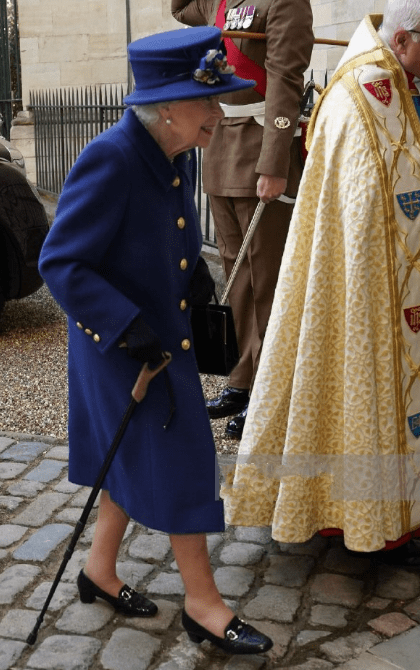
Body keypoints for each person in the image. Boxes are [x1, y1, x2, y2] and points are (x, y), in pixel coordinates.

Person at [221, 0, 420, 568]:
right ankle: (369, 521)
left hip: (417, 286)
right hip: (362, 297)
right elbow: (364, 215)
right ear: (405, 39)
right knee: (360, 390)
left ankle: (395, 515)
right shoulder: (359, 96)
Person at [39, 27, 273, 655]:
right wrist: (125, 327)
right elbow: (61, 262)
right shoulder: (112, 157)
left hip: (162, 338)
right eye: (210, 103)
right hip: (121, 348)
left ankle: (99, 572)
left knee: (126, 458)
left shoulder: (178, 148)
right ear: (168, 104)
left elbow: (168, 233)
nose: (220, 117)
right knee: (184, 459)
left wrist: (195, 279)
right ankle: (204, 604)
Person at [171, 0, 314, 439]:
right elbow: (181, 10)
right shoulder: (218, 2)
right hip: (222, 151)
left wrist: (274, 163)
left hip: (260, 149)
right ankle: (242, 377)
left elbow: (286, 78)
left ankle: (271, 393)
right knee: (236, 274)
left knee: (267, 281)